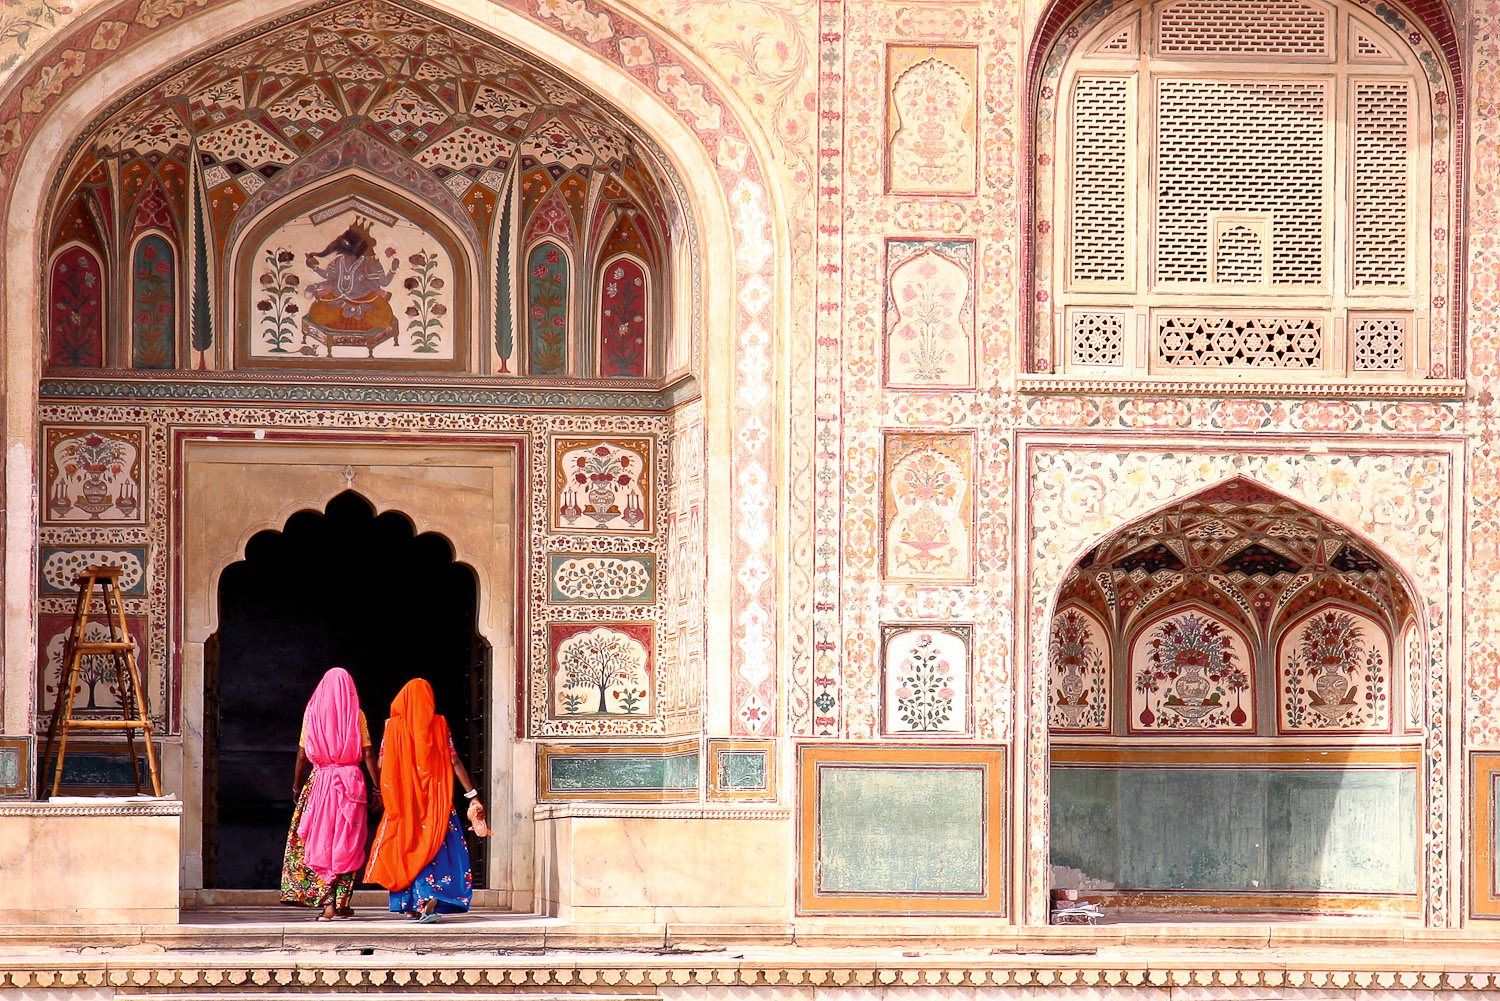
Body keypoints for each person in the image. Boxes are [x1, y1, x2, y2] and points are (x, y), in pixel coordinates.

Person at [363, 678, 487, 922]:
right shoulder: (439, 724)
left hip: (405, 802)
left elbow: (381, 762)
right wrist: (472, 795)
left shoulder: (392, 727)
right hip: (436, 802)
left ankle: (410, 904)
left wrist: (381, 791)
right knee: (436, 847)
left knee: (406, 846)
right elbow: (454, 761)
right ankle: (428, 898)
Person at [280, 667, 380, 920]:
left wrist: (296, 785)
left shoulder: (312, 714)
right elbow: (368, 753)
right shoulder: (357, 716)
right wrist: (377, 787)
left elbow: (302, 754)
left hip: (319, 783)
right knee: (347, 843)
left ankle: (327, 906)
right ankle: (341, 902)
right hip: (352, 784)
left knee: (320, 841)